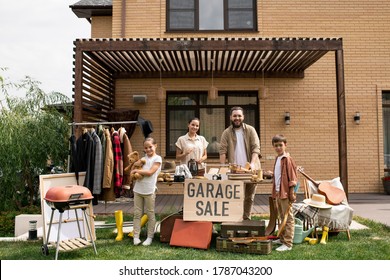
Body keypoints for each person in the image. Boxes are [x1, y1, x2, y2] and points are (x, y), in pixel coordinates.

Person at [219, 106, 261, 220]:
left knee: (249, 197)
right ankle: (236, 219)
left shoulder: (250, 130)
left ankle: (246, 219)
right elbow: (222, 151)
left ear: (243, 117)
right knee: (237, 197)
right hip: (235, 171)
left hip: (251, 171)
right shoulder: (226, 133)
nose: (237, 118)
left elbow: (256, 148)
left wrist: (252, 164)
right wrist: (223, 168)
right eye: (234, 116)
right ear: (230, 117)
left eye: (239, 116)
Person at [131, 137, 162, 246]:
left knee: (150, 214)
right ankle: (136, 237)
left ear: (156, 146)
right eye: (146, 148)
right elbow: (135, 169)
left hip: (149, 190)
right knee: (137, 214)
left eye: (150, 147)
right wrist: (133, 170)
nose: (148, 149)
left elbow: (150, 172)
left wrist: (137, 170)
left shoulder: (157, 159)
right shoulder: (143, 159)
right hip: (138, 190)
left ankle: (149, 237)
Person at [270, 134, 298, 252]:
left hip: (286, 193)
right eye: (276, 146)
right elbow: (279, 175)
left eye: (280, 145)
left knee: (288, 217)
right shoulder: (278, 158)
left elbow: (292, 178)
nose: (278, 148)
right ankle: (281, 238)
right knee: (281, 216)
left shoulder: (288, 159)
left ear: (285, 145)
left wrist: (291, 193)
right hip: (278, 192)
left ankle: (288, 243)